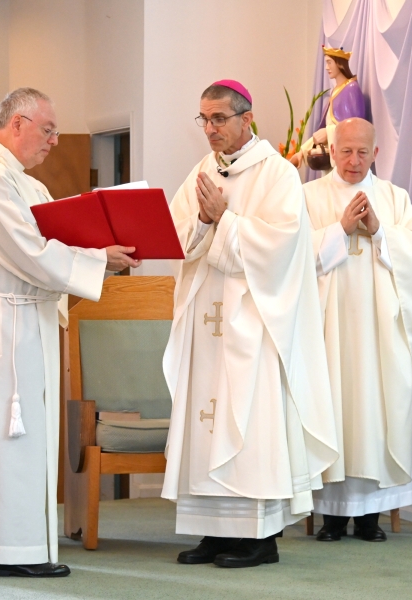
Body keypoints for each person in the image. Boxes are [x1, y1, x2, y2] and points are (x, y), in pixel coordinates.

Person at [0, 87, 140, 577]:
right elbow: (28, 250)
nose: (55, 141)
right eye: (47, 130)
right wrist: (96, 259)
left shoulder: (15, 178)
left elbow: (48, 236)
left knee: (3, 441)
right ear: (15, 123)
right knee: (10, 439)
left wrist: (96, 243)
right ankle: (11, 552)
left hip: (16, 319)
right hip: (6, 326)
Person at [162, 80, 338, 568]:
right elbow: (179, 236)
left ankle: (258, 538)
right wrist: (203, 220)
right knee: (206, 422)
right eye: (204, 119)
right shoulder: (201, 171)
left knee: (249, 423)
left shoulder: (277, 174)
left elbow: (282, 247)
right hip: (207, 320)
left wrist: (225, 221)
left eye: (219, 118)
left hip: (254, 323)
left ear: (246, 118)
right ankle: (213, 533)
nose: (211, 129)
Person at [302, 118, 412, 542]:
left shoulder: (395, 199)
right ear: (332, 150)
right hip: (328, 328)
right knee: (333, 410)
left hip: (379, 330)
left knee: (376, 410)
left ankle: (370, 518)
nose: (354, 160)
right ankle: (332, 517)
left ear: (376, 154)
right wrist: (339, 229)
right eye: (346, 151)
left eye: (363, 152)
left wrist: (379, 232)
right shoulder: (308, 197)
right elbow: (292, 257)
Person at [291, 45, 367, 169]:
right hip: (331, 160)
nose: (327, 67)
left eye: (329, 62)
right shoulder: (335, 91)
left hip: (348, 165)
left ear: (339, 64)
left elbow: (356, 129)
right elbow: (324, 131)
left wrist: (329, 132)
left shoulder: (351, 89)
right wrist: (302, 152)